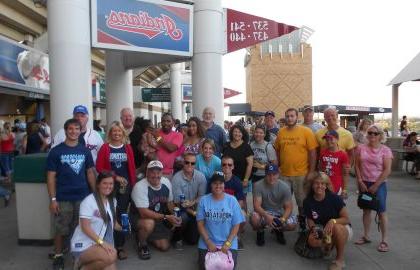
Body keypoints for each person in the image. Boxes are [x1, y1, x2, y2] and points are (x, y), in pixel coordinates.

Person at [46, 118, 96, 270]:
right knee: (60, 228)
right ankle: (58, 256)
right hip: (63, 197)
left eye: (76, 128)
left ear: (81, 131)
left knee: (80, 228)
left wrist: (95, 195)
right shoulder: (56, 151)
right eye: (70, 129)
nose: (73, 131)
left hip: (83, 197)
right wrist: (53, 199)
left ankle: (78, 255)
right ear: (65, 131)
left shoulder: (84, 150)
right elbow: (50, 177)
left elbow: (90, 173)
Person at [96, 121, 136, 260]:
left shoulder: (127, 148)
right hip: (109, 185)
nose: (117, 133)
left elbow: (131, 167)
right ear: (110, 133)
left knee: (121, 214)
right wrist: (116, 177)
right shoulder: (105, 148)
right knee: (108, 213)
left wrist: (132, 183)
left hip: (124, 187)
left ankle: (120, 246)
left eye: (119, 131)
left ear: (123, 133)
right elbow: (100, 167)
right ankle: (106, 243)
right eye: (114, 131)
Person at [273, 108, 318, 230]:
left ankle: (302, 223)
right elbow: (277, 150)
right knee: (283, 201)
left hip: (301, 174)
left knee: (302, 202)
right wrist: (278, 167)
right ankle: (282, 223)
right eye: (287, 116)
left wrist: (311, 171)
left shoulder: (306, 131)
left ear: (297, 117)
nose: (289, 118)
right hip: (284, 174)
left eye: (292, 116)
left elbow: (313, 153)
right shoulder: (281, 132)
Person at [131, 160, 181, 260]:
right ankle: (142, 243)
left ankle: (146, 234)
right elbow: (144, 213)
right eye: (152, 172)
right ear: (147, 173)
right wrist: (166, 217)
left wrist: (175, 216)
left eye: (158, 172)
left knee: (164, 246)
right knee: (149, 224)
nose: (155, 175)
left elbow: (170, 203)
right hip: (140, 218)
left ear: (162, 173)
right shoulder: (140, 187)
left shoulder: (166, 182)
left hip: (159, 218)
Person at [354, 125, 392, 252]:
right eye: (370, 133)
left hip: (379, 184)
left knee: (381, 211)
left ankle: (385, 240)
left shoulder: (385, 150)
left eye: (375, 133)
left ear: (380, 135)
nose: (372, 135)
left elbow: (387, 170)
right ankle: (366, 236)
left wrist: (376, 185)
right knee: (366, 210)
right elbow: (357, 166)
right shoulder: (361, 148)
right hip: (364, 183)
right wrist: (360, 181)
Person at [303, 172, 352, 270]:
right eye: (316, 183)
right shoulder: (307, 201)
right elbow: (310, 219)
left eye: (322, 183)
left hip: (342, 228)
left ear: (326, 185)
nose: (319, 186)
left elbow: (346, 219)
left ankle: (339, 260)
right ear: (312, 185)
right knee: (312, 240)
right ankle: (328, 246)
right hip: (323, 228)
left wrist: (333, 221)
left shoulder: (335, 198)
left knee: (337, 228)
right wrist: (314, 229)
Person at [70, 171, 118, 270]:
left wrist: (125, 227)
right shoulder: (88, 201)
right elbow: (85, 227)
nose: (108, 186)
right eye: (105, 183)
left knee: (110, 267)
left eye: (111, 183)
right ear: (98, 185)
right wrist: (102, 243)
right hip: (84, 244)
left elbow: (113, 224)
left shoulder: (113, 201)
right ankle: (80, 263)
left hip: (99, 245)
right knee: (111, 256)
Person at [196, 173, 245, 270]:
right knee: (204, 267)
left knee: (229, 266)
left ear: (224, 184)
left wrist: (228, 243)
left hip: (228, 241)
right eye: (215, 183)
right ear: (211, 185)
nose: (218, 186)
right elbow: (200, 224)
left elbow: (236, 225)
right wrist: (208, 242)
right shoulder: (204, 200)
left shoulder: (232, 200)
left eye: (220, 183)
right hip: (207, 241)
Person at [251, 164, 296, 246]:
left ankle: (279, 230)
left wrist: (282, 220)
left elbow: (289, 207)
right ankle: (260, 231)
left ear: (278, 174)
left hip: (279, 212)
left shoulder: (285, 187)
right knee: (254, 219)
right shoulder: (258, 185)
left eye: (274, 174)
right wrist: (267, 216)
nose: (272, 177)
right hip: (264, 211)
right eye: (269, 175)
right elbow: (257, 206)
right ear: (265, 174)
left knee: (292, 224)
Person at [171, 153, 207, 247]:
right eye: (187, 162)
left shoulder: (201, 177)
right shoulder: (176, 178)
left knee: (193, 240)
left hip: (195, 208)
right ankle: (177, 237)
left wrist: (193, 202)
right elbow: (177, 203)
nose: (190, 165)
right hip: (182, 209)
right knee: (182, 217)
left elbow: (202, 197)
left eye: (192, 163)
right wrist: (193, 213)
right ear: (183, 162)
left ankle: (188, 231)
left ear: (195, 164)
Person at [222, 124, 254, 194]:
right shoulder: (226, 145)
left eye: (240, 132)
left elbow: (250, 164)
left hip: (242, 180)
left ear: (243, 134)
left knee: (241, 201)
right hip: (228, 179)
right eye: (235, 131)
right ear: (231, 133)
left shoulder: (246, 147)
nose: (237, 134)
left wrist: (246, 179)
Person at [319, 130, 350, 198]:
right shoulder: (323, 152)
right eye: (327, 139)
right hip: (324, 185)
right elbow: (321, 169)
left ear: (337, 139)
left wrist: (344, 189)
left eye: (331, 139)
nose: (329, 141)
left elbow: (345, 173)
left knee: (336, 206)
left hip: (336, 185)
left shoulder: (343, 154)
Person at [152, 113, 183, 178]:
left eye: (168, 121)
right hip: (153, 171)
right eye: (163, 121)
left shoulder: (178, 135)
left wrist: (157, 137)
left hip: (167, 173)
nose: (166, 123)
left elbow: (171, 148)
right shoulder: (156, 132)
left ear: (173, 122)